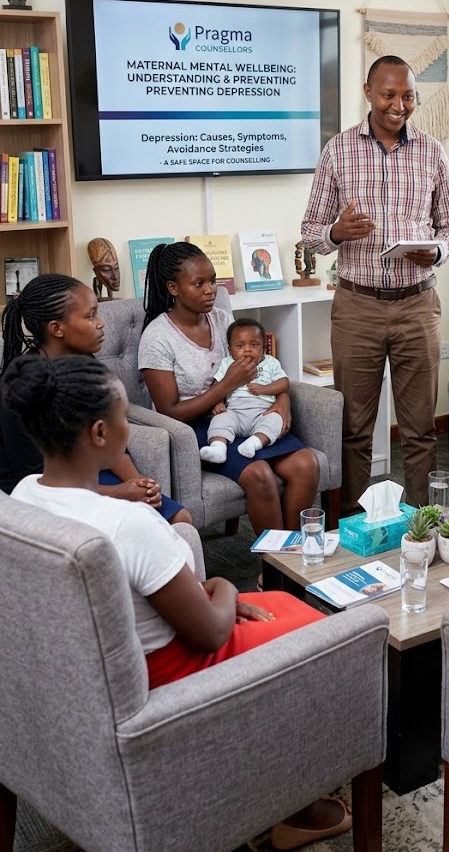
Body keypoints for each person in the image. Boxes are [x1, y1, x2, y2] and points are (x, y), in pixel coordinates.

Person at [2, 355, 351, 850]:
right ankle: (292, 806)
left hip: (80, 674)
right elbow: (208, 633)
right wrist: (226, 591)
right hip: (165, 675)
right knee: (317, 628)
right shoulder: (130, 525)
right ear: (100, 433)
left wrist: (209, 595)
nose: (129, 425)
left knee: (276, 602)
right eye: (124, 415)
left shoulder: (21, 495)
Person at [301, 55, 449, 511]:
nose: (399, 105)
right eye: (389, 94)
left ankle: (419, 524)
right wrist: (337, 232)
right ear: (368, 91)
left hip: (418, 304)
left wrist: (435, 249)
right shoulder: (338, 150)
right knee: (354, 428)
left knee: (420, 430)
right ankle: (357, 527)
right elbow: (311, 233)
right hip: (357, 307)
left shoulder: (432, 151)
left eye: (408, 95)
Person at [138, 242, 319, 532]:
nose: (211, 290)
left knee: (306, 464)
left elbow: (260, 365)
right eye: (199, 283)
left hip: (244, 414)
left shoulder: (222, 320)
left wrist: (282, 398)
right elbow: (170, 412)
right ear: (173, 288)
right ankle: (274, 574)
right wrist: (226, 386)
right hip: (195, 428)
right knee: (259, 474)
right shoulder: (157, 337)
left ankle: (293, 558)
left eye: (212, 280)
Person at [0, 273, 191, 525]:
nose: (101, 324)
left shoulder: (87, 364)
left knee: (180, 517)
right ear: (56, 328)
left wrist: (138, 484)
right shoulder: (21, 388)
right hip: (45, 497)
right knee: (141, 528)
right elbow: (35, 481)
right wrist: (121, 493)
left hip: (92, 475)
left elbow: (114, 441)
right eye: (90, 316)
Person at [200, 317, 289, 463]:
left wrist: (264, 389)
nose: (247, 350)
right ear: (230, 350)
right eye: (240, 346)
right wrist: (219, 403)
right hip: (234, 411)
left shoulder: (271, 362)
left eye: (254, 345)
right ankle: (218, 447)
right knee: (220, 419)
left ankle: (254, 443)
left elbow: (284, 383)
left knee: (276, 420)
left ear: (264, 348)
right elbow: (217, 385)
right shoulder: (227, 363)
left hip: (263, 411)